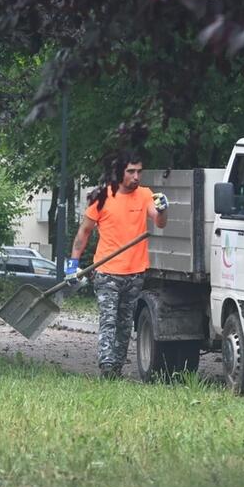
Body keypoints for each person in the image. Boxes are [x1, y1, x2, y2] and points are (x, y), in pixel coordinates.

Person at [67, 151, 168, 379]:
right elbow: (84, 232)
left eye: (139, 172)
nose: (136, 176)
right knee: (108, 320)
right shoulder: (102, 197)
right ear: (119, 172)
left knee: (124, 325)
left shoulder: (144, 195)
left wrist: (163, 209)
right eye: (130, 172)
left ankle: (117, 368)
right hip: (107, 273)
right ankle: (106, 366)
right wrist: (72, 263)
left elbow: (160, 223)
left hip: (135, 273)